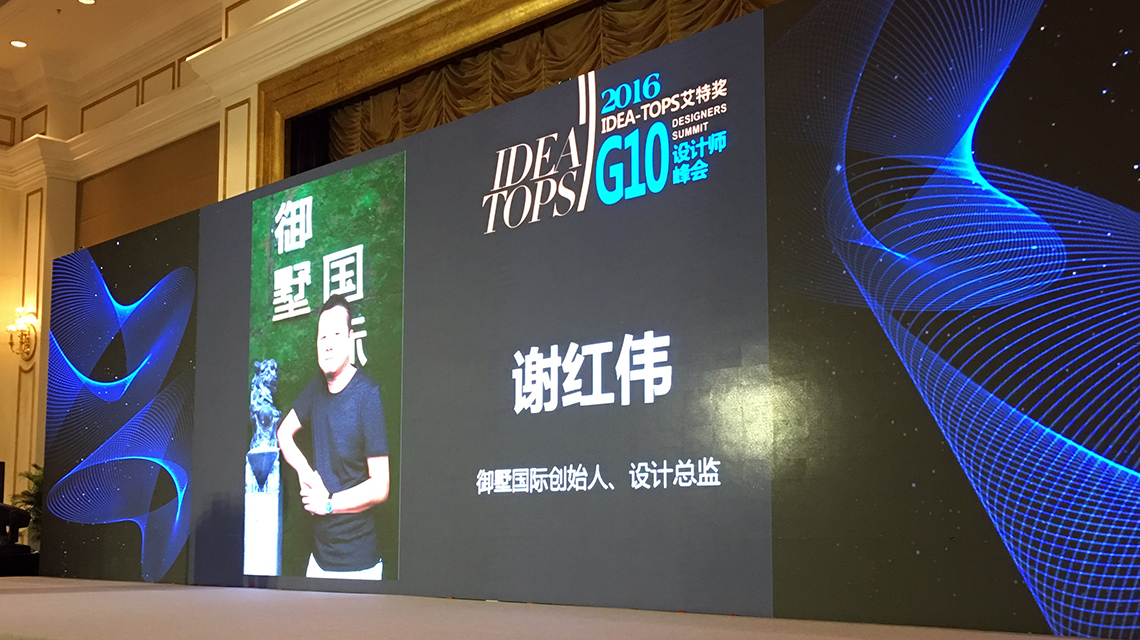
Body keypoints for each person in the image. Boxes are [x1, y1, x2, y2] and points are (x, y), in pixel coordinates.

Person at [278, 294, 390, 580]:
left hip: (359, 566)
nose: (327, 343)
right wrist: (306, 472)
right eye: (322, 336)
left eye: (336, 334)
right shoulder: (316, 388)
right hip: (319, 560)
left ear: (351, 337)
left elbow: (380, 487)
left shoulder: (367, 394)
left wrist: (328, 503)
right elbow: (284, 433)